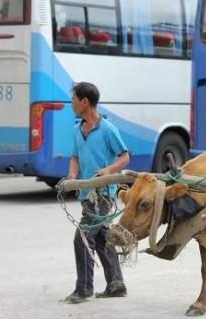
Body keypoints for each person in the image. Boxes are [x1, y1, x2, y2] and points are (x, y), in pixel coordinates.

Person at [65, 82, 130, 304]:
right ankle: (116, 284)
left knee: (82, 237)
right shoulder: (77, 130)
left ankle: (84, 288)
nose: (71, 103)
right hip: (85, 193)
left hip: (102, 194)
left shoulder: (108, 130)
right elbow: (74, 156)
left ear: (85, 102)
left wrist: (108, 170)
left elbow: (124, 157)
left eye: (74, 99)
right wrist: (72, 176)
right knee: (102, 239)